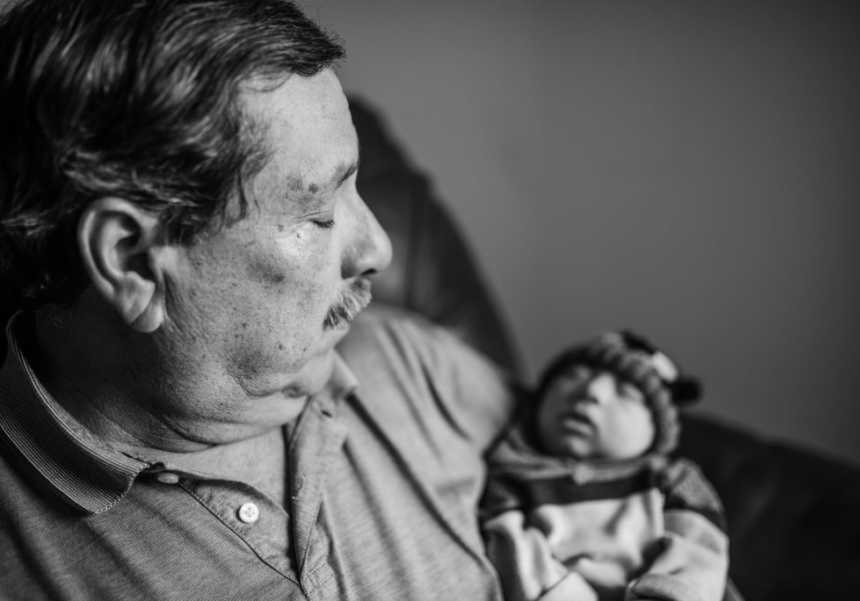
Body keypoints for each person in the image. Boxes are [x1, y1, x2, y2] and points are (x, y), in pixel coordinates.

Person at [0, 1, 520, 599]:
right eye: (318, 212)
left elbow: (632, 468)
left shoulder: (409, 364)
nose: (378, 247)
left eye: (356, 184)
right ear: (132, 261)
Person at [481, 332, 731, 601]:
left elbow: (697, 561)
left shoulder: (673, 478)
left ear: (655, 433)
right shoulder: (513, 471)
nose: (591, 392)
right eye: (574, 375)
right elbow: (515, 556)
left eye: (626, 393)